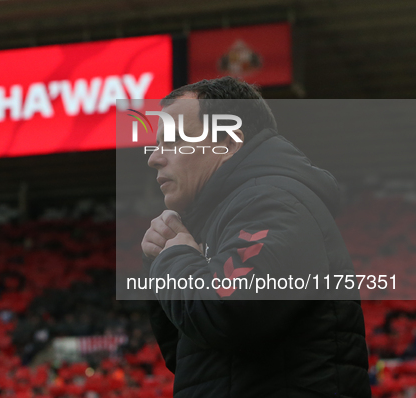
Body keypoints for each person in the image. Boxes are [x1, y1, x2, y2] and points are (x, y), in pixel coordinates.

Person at [141, 77, 371, 397]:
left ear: (230, 143)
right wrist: (161, 258)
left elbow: (223, 314)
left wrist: (174, 257)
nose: (154, 157)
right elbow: (187, 351)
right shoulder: (223, 215)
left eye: (174, 140)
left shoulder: (273, 203)